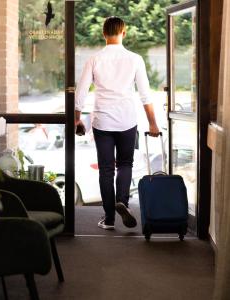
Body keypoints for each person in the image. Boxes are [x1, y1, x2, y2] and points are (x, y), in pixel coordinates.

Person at [75, 16, 160, 230]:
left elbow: (81, 92)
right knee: (125, 164)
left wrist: (76, 118)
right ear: (124, 33)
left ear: (103, 34)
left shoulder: (94, 59)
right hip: (126, 120)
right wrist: (153, 124)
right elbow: (145, 95)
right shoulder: (135, 59)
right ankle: (122, 200)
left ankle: (110, 218)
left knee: (106, 169)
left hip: (102, 120)